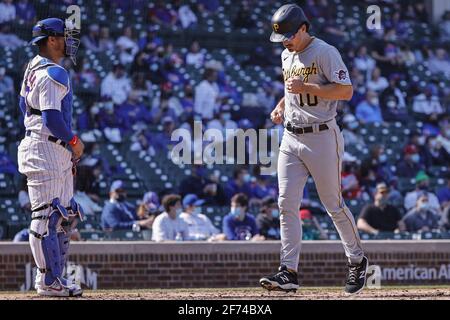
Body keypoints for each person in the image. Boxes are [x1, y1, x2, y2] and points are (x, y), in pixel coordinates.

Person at [259, 4, 367, 295]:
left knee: (333, 205)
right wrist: (280, 106)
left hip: (321, 136)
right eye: (282, 36)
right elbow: (289, 89)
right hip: (290, 138)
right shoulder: (286, 54)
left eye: (290, 35)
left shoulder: (325, 52)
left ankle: (357, 260)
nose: (285, 40)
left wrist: (307, 87)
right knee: (285, 204)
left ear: (304, 28)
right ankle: (288, 271)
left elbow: (346, 91)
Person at [16, 18, 84, 297]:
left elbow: (23, 105)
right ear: (52, 40)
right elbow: (52, 118)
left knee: (64, 215)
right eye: (65, 36)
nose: (69, 41)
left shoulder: (33, 66)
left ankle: (56, 278)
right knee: (46, 215)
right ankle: (48, 280)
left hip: (50, 146)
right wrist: (74, 142)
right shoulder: (55, 72)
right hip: (47, 147)